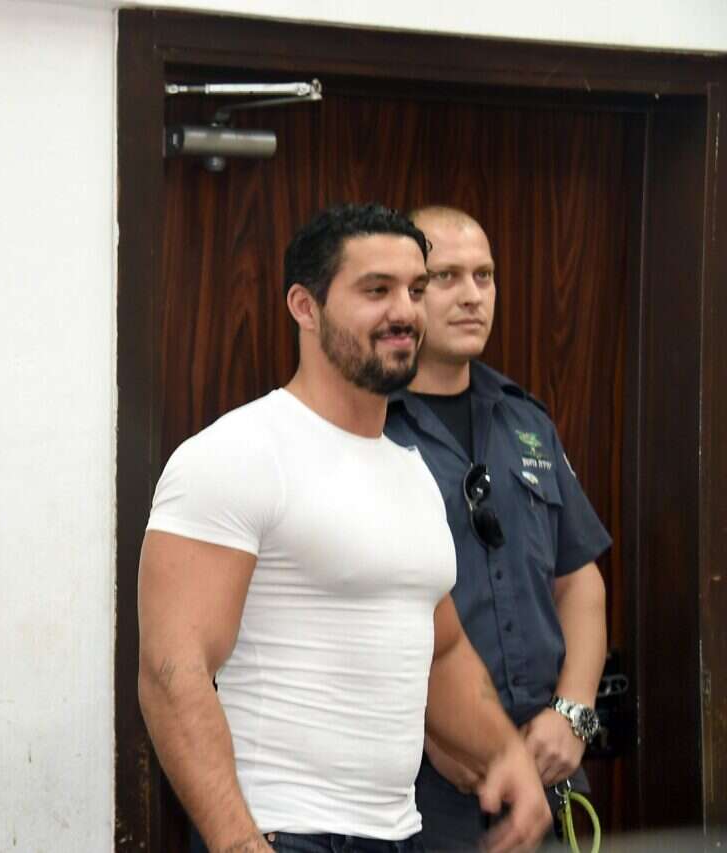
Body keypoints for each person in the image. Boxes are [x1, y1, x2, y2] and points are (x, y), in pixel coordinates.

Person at [137, 203, 551, 853]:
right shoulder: (239, 453)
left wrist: (507, 755)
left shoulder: (411, 471)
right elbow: (172, 672)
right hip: (282, 831)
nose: (405, 311)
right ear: (305, 306)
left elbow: (441, 650)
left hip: (399, 833)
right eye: (376, 290)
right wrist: (239, 842)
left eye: (415, 289)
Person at [383, 206, 610, 850]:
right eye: (447, 277)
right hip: (420, 779)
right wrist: (437, 732)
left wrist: (572, 714)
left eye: (484, 276)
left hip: (545, 761)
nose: (472, 296)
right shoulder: (367, 427)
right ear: (408, 293)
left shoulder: (524, 419)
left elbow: (580, 582)